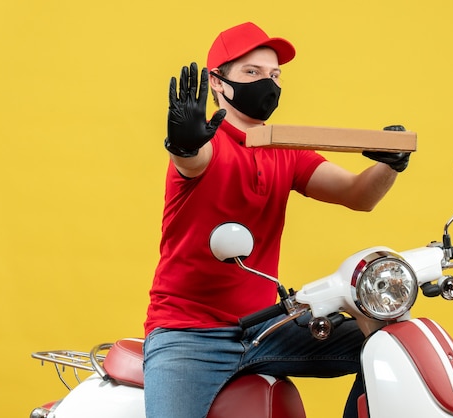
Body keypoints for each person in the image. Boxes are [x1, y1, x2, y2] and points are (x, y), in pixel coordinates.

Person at [143, 21, 411, 418]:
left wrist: (390, 164)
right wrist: (182, 144)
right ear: (217, 83)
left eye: (274, 76)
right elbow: (192, 162)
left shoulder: (285, 147)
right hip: (189, 335)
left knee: (391, 344)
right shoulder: (206, 145)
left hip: (264, 329)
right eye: (251, 73)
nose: (267, 84)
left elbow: (358, 195)